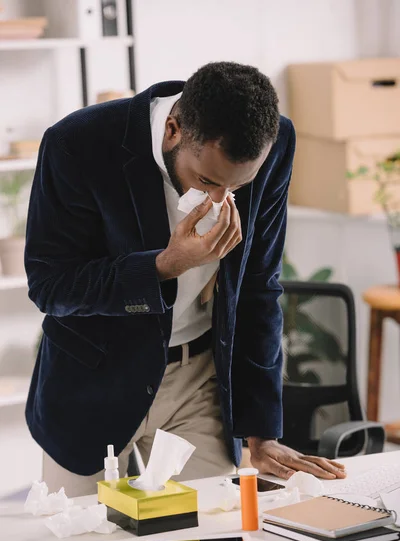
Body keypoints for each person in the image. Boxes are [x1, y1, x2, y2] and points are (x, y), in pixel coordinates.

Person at [25, 62, 346, 497]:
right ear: (173, 130)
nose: (220, 199)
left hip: (199, 379)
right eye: (208, 181)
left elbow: (258, 285)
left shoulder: (276, 142)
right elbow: (51, 284)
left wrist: (261, 429)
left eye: (236, 188)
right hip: (93, 382)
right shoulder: (77, 143)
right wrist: (162, 266)